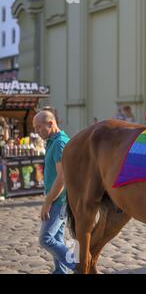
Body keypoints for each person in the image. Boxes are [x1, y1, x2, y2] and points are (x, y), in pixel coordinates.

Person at [33, 111, 76, 274]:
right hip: (58, 199)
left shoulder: (60, 143)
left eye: (38, 127)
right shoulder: (52, 141)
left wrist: (47, 202)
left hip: (59, 201)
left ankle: (78, 265)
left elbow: (62, 178)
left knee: (46, 239)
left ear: (51, 123)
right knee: (57, 238)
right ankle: (61, 271)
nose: (36, 131)